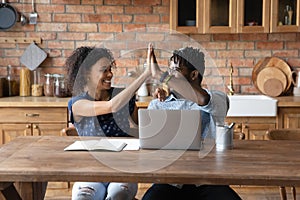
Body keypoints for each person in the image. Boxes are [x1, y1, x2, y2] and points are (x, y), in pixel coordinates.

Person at [141, 46, 242, 200]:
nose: (169, 74)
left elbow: (203, 100)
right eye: (168, 70)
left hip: (208, 181)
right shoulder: (158, 104)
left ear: (194, 74)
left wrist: (160, 75)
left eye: (175, 70)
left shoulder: (218, 99)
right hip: (170, 182)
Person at [66, 45, 152, 200]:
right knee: (83, 198)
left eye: (110, 69)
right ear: (87, 73)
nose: (110, 74)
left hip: (122, 170)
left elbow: (138, 134)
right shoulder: (78, 104)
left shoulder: (124, 97)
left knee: (118, 196)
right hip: (91, 172)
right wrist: (145, 74)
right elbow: (111, 106)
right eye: (103, 70)